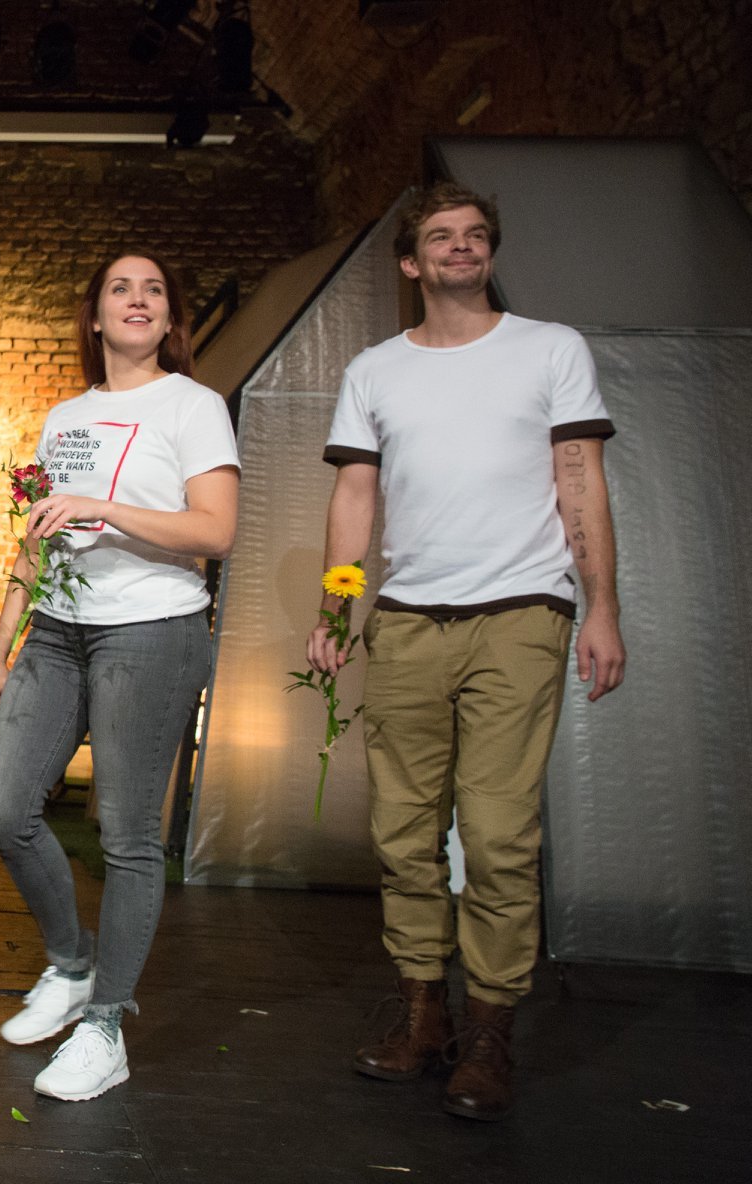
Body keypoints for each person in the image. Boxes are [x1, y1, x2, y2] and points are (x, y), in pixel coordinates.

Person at [308, 181, 626, 1121]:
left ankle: (490, 1032)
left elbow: (581, 482)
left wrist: (603, 608)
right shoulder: (375, 370)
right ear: (411, 262)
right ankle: (424, 1015)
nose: (461, 247)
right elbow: (354, 497)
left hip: (522, 613)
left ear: (489, 251)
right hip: (408, 618)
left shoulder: (550, 348)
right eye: (442, 236)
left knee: (495, 834)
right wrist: (335, 611)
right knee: (404, 832)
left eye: (475, 234)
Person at [0, 251, 240, 1102]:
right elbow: (38, 537)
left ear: (170, 318)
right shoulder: (66, 416)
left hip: (152, 631)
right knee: (3, 810)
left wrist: (106, 509)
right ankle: (71, 965)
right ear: (94, 316)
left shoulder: (193, 406)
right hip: (58, 632)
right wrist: (0, 645)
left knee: (128, 838)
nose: (138, 299)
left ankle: (105, 1027)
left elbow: (217, 531)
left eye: (153, 289)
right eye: (120, 288)